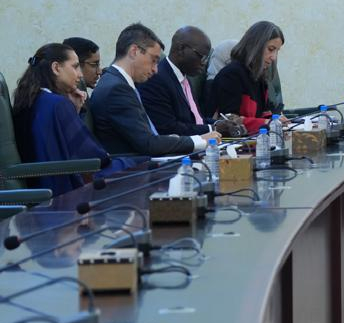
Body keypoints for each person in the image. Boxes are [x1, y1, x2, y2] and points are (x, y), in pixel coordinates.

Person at [11, 43, 140, 195]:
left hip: (43, 187)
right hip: (67, 190)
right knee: (144, 163)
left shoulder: (28, 100)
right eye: (75, 66)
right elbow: (95, 158)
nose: (80, 75)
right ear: (56, 68)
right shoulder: (57, 104)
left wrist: (74, 111)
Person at [90, 23, 219, 158]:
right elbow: (148, 143)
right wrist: (200, 140)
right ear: (134, 51)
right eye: (153, 60)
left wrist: (174, 139)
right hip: (132, 166)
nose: (155, 69)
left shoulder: (117, 82)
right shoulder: (117, 89)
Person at [139, 26, 243, 137]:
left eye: (206, 58)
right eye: (201, 56)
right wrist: (213, 128)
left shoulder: (185, 77)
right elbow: (168, 128)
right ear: (181, 49)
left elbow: (196, 121)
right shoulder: (156, 79)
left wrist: (223, 123)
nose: (204, 63)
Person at [208, 21, 285, 134]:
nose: (273, 57)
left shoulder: (259, 76)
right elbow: (228, 121)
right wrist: (266, 123)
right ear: (255, 46)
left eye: (277, 51)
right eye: (270, 49)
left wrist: (276, 119)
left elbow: (263, 113)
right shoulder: (231, 75)